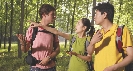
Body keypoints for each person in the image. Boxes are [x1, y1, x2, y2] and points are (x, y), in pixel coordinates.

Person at [30, 18, 95, 71]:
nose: (76, 25)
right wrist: (40, 25)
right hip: (71, 69)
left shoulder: (88, 40)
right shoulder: (73, 38)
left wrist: (76, 54)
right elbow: (56, 31)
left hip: (83, 69)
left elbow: (89, 58)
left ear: (84, 28)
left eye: (78, 23)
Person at [87, 2, 133, 71]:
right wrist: (92, 42)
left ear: (104, 15)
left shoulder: (121, 31)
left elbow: (131, 56)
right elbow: (89, 52)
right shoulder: (97, 33)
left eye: (96, 14)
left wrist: (114, 67)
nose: (94, 17)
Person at [16, 4, 60, 71]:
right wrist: (23, 43)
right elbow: (25, 50)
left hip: (51, 68)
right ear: (44, 15)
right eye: (52, 14)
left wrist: (49, 57)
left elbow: (57, 49)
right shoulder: (33, 29)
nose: (55, 16)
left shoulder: (53, 30)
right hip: (35, 68)